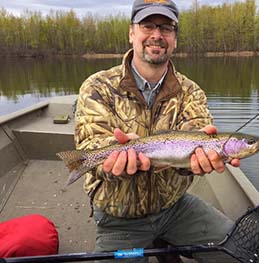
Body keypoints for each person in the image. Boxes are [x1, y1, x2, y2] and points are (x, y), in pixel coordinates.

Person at [74, 0, 240, 262]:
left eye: (166, 27)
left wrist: (195, 163)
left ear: (175, 39)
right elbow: (88, 147)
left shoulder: (191, 92)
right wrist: (114, 158)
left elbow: (191, 145)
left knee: (238, 249)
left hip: (174, 208)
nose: (157, 35)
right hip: (119, 218)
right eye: (148, 25)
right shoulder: (98, 86)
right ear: (132, 33)